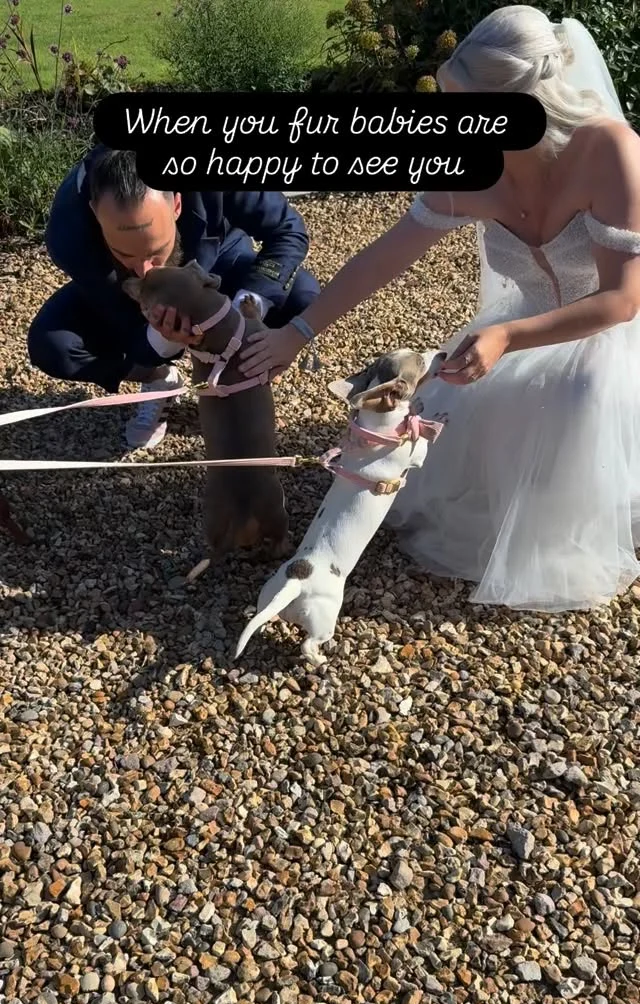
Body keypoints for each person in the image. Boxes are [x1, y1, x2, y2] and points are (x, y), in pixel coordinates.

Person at [238, 5, 640, 613]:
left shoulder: (608, 150)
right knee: (455, 420)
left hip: (613, 333)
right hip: (519, 330)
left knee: (582, 394)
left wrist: (507, 336)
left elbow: (623, 299)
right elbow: (382, 258)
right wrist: (297, 331)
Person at [27, 145, 321, 449]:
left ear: (177, 205)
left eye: (155, 251)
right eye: (124, 253)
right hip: (125, 293)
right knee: (52, 345)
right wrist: (160, 340)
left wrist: (244, 313)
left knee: (303, 297)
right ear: (95, 213)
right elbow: (121, 320)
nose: (145, 270)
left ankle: (237, 373)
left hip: (218, 262)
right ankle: (158, 379)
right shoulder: (69, 233)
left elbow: (288, 230)